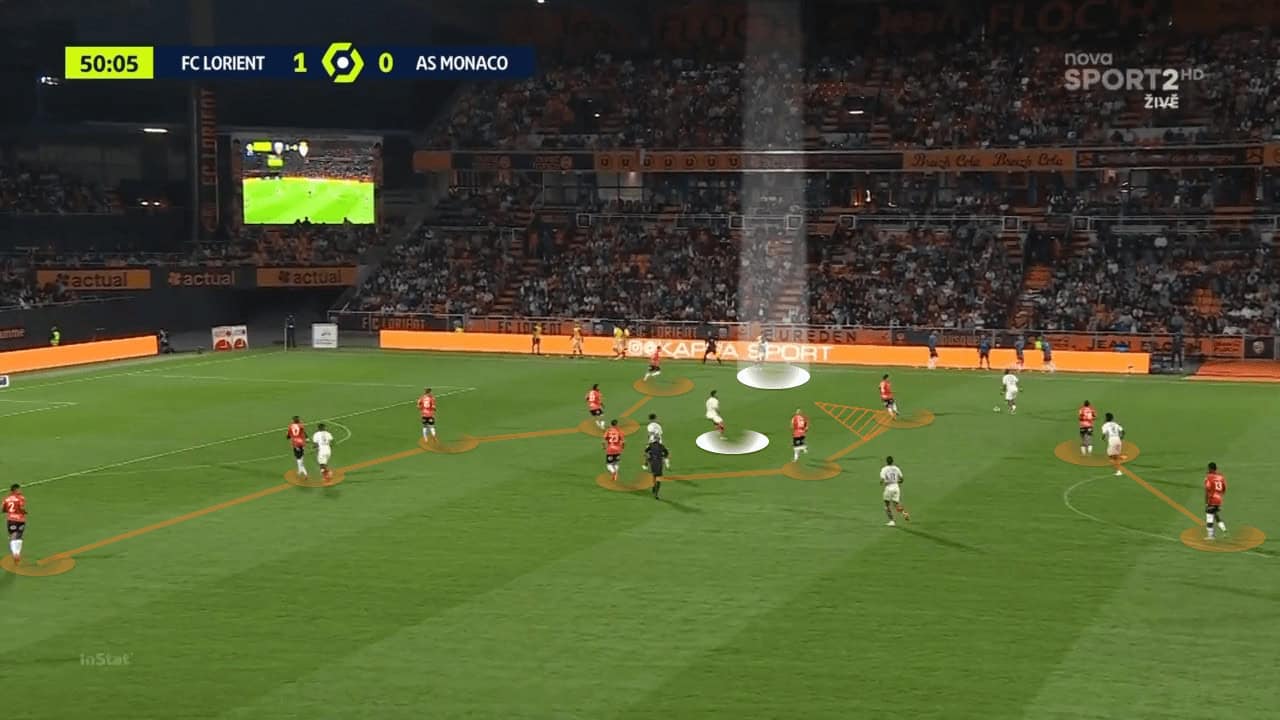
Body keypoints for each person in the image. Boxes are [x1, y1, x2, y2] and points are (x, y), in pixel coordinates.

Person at [879, 456, 910, 526]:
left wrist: (881, 483)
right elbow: (902, 479)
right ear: (892, 461)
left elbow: (882, 479)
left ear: (886, 462)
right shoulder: (896, 468)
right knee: (896, 504)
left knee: (887, 505)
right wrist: (896, 482)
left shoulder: (884, 469)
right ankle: (904, 513)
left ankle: (892, 521)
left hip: (888, 488)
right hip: (896, 487)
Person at [1204, 462, 1227, 540]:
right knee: (1215, 514)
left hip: (1212, 499)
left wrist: (1206, 503)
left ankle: (1210, 536)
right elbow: (1224, 489)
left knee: (1209, 516)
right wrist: (1219, 496)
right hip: (1219, 499)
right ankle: (1224, 530)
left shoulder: (1208, 477)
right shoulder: (1221, 477)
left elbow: (1207, 490)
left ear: (1210, 469)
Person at [3, 483, 26, 564]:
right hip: (21, 519)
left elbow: (4, 509)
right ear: (15, 490)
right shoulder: (21, 498)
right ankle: (18, 553)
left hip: (11, 519)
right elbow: (22, 508)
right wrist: (24, 512)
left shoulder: (6, 499)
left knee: (13, 535)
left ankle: (14, 553)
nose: (20, 490)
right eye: (19, 489)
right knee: (19, 535)